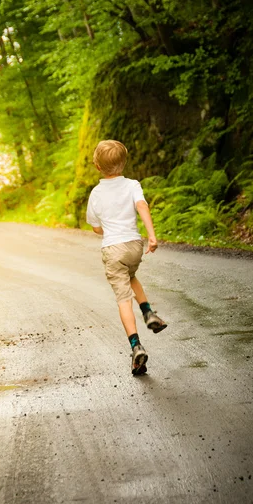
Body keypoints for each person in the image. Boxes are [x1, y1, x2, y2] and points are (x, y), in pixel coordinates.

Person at [86, 139, 167, 375]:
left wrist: (104, 230)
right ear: (124, 163)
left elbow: (95, 227)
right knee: (131, 275)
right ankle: (148, 312)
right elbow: (142, 206)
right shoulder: (132, 185)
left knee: (123, 298)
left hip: (113, 249)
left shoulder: (96, 193)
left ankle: (136, 346)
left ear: (97, 167)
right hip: (134, 246)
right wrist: (151, 236)